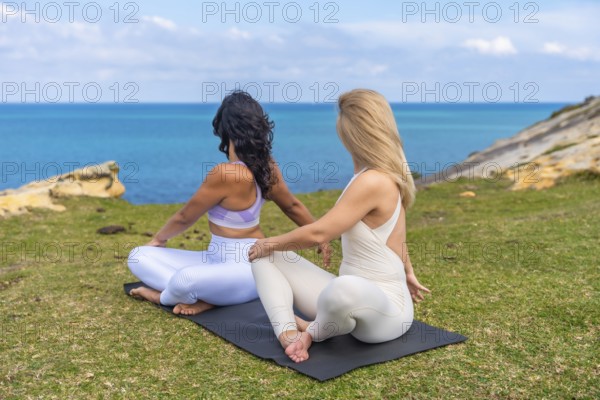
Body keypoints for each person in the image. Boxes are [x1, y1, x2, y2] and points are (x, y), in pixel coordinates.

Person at [248, 89, 430, 363]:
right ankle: (288, 333)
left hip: (386, 311)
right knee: (263, 256)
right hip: (345, 299)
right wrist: (409, 270)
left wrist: (268, 241)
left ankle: (312, 332)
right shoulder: (370, 176)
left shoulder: (375, 181)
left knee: (341, 288)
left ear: (350, 133)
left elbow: (320, 232)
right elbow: (393, 235)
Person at [128, 91, 330, 315]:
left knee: (185, 279)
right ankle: (209, 296)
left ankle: (162, 297)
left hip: (249, 268)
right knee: (138, 255)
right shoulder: (267, 166)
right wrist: (319, 235)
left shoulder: (226, 174)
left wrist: (159, 239)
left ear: (225, 129)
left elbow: (185, 216)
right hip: (215, 260)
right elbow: (292, 206)